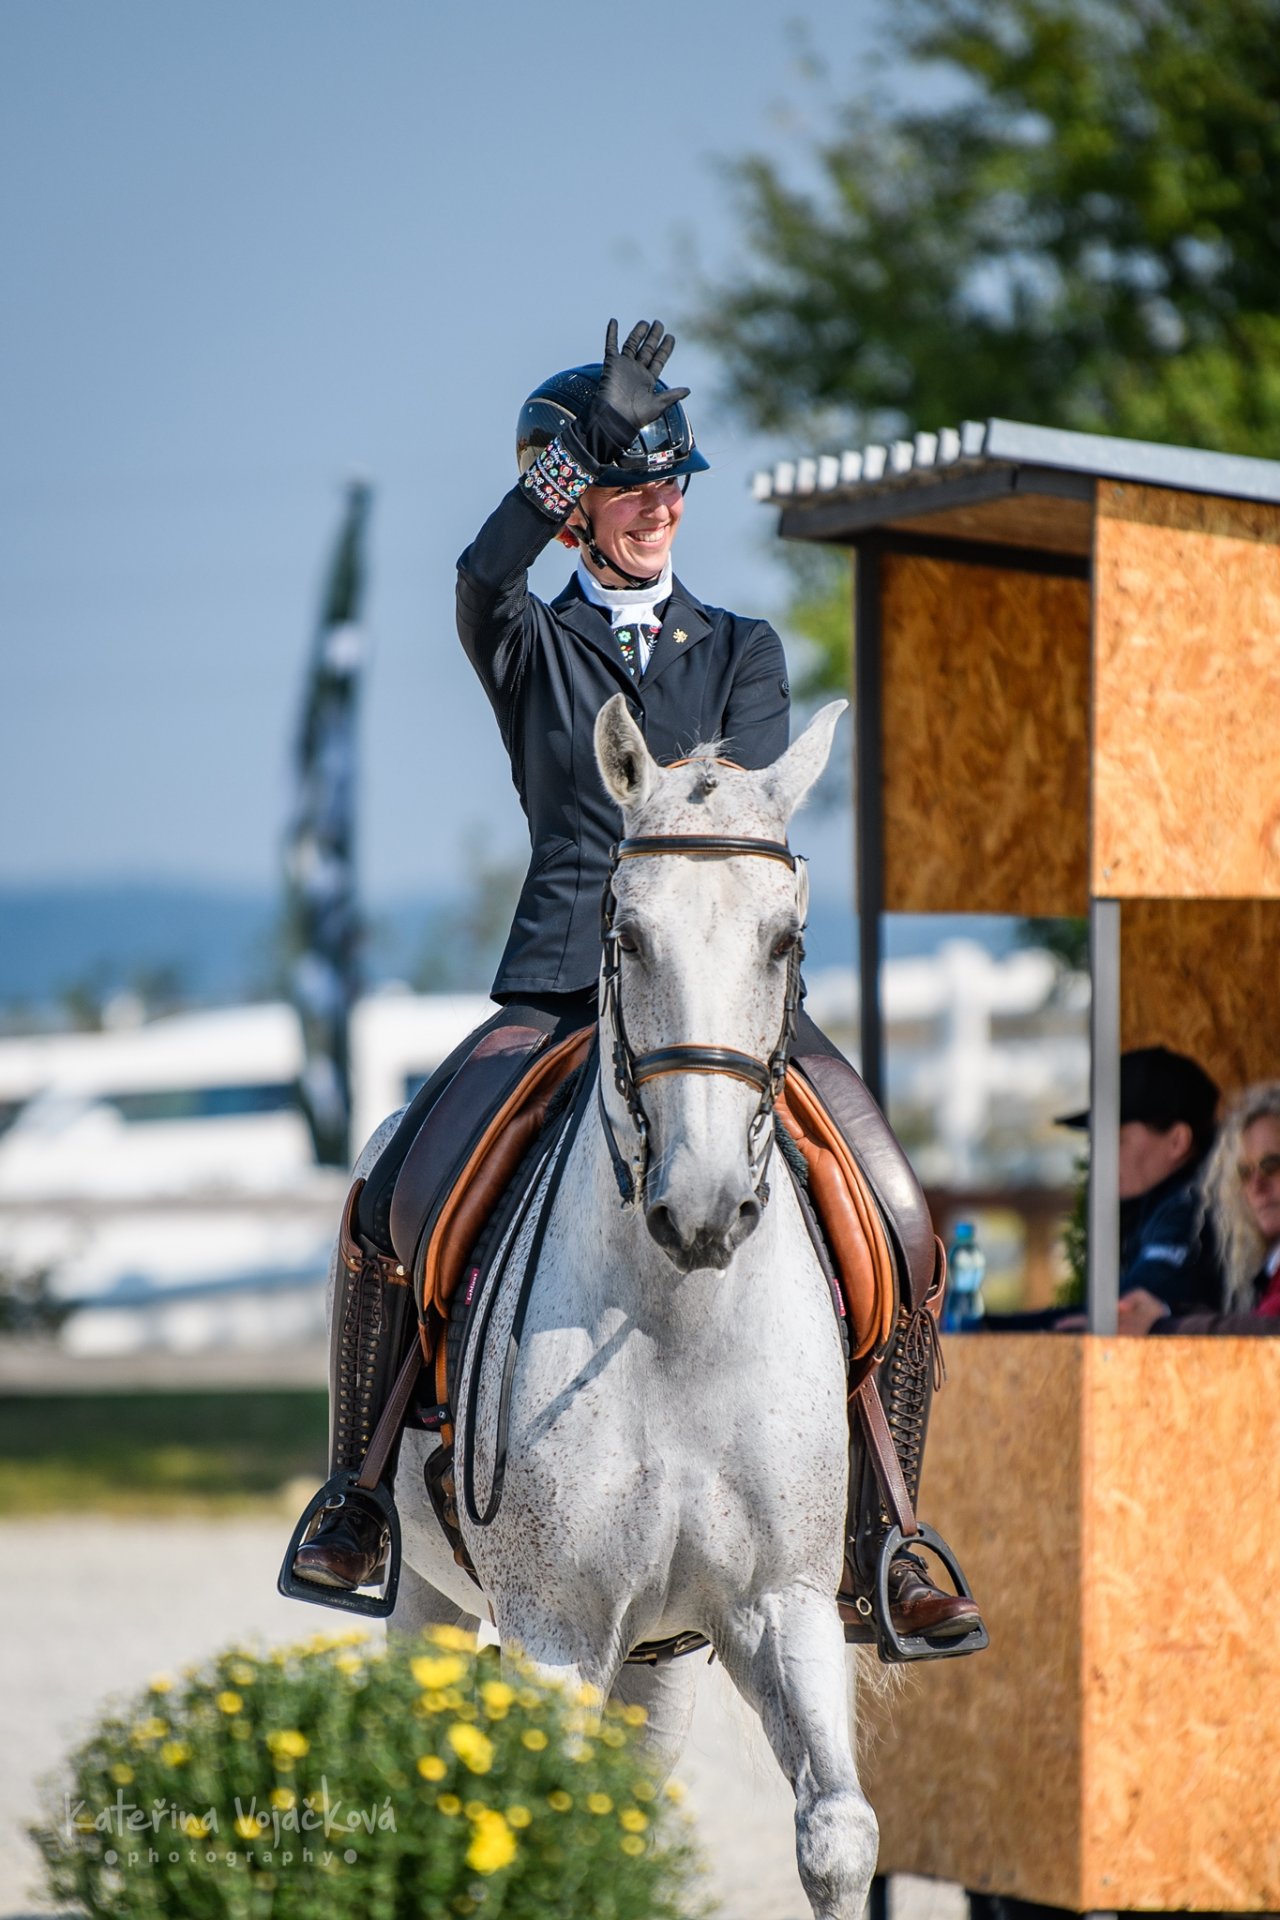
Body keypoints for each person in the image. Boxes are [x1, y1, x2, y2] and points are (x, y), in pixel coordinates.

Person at [287, 319, 982, 1649]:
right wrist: (564, 455)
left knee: (896, 1210)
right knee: (390, 1188)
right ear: (578, 513)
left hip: (720, 1003)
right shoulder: (527, 644)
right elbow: (476, 575)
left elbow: (730, 809)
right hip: (562, 983)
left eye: (673, 482)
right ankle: (360, 1498)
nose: (662, 505)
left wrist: (616, 447)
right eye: (630, 483)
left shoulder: (745, 650)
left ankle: (888, 1537)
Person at [1118, 1080, 1280, 1336]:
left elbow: (1272, 1334)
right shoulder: (1269, 1271)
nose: (1256, 1185)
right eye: (1245, 1173)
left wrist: (1163, 1327)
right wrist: (1165, 1314)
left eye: (1272, 1165)